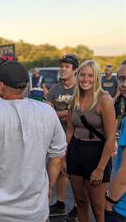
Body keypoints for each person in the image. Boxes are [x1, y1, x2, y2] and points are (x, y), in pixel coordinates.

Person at [0, 61, 67, 222]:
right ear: (26, 86)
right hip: (35, 210)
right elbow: (58, 156)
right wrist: (48, 188)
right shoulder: (47, 112)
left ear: (1, 86)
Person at [65, 60, 115, 222]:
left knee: (98, 207)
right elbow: (70, 131)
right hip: (76, 151)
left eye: (90, 75)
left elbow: (111, 136)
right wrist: (64, 157)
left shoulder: (104, 100)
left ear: (97, 78)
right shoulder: (74, 100)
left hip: (97, 154)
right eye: (82, 75)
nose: (86, 79)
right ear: (77, 75)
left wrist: (100, 169)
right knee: (80, 201)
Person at [46, 54, 80, 220]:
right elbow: (47, 114)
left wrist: (58, 113)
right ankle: (59, 204)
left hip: (77, 137)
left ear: (74, 70)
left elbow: (80, 114)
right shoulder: (54, 90)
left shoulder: (80, 89)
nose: (63, 69)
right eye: (62, 66)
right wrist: (68, 113)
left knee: (74, 174)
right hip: (56, 138)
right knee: (58, 172)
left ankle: (78, 207)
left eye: (67, 67)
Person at [105, 64, 126, 222]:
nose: (124, 84)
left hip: (121, 207)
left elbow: (125, 174)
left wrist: (110, 202)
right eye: (121, 79)